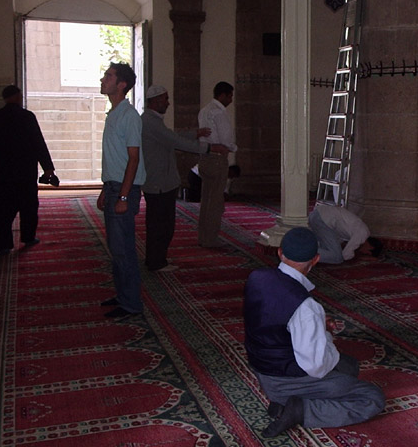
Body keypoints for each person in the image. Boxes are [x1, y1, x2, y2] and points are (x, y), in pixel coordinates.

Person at [244, 227, 385, 438]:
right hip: (284, 380)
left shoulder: (257, 277)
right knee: (372, 398)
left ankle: (285, 405)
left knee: (349, 366)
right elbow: (316, 367)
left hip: (262, 369)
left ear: (280, 252)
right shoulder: (306, 306)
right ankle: (301, 410)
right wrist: (323, 332)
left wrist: (316, 325)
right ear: (316, 259)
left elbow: (273, 317)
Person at [141, 85, 228, 272]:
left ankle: (156, 260)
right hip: (159, 183)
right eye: (165, 99)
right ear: (155, 101)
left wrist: (194, 134)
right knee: (161, 226)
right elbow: (176, 141)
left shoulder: (152, 120)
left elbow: (170, 138)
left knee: (160, 224)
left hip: (160, 182)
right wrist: (209, 148)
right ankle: (156, 262)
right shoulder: (150, 121)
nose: (168, 102)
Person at [0, 85, 56, 254]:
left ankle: (4, 245)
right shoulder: (27, 117)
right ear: (18, 96)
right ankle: (28, 237)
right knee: (28, 208)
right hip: (25, 173)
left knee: (1, 210)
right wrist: (48, 168)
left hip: (0, 175)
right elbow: (38, 144)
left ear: (5, 98)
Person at [97, 62, 147, 319]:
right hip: (115, 186)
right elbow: (115, 160)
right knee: (116, 248)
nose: (103, 79)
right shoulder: (114, 113)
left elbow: (133, 159)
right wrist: (106, 189)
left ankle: (131, 304)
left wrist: (124, 196)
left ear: (122, 84)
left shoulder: (129, 116)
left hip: (124, 189)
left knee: (124, 249)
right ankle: (123, 295)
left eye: (109, 76)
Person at [197, 82, 237, 247]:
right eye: (230, 96)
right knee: (215, 202)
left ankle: (203, 236)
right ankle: (210, 239)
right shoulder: (219, 113)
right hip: (217, 159)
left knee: (206, 199)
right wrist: (234, 147)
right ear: (223, 95)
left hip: (205, 157)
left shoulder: (204, 111)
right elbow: (226, 140)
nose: (231, 99)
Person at [308, 204, 383, 264]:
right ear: (370, 248)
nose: (363, 252)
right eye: (366, 253)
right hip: (322, 219)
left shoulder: (359, 231)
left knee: (328, 250)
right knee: (337, 257)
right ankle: (305, 254)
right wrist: (359, 257)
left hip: (317, 215)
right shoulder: (363, 234)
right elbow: (346, 255)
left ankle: (307, 253)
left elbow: (337, 240)